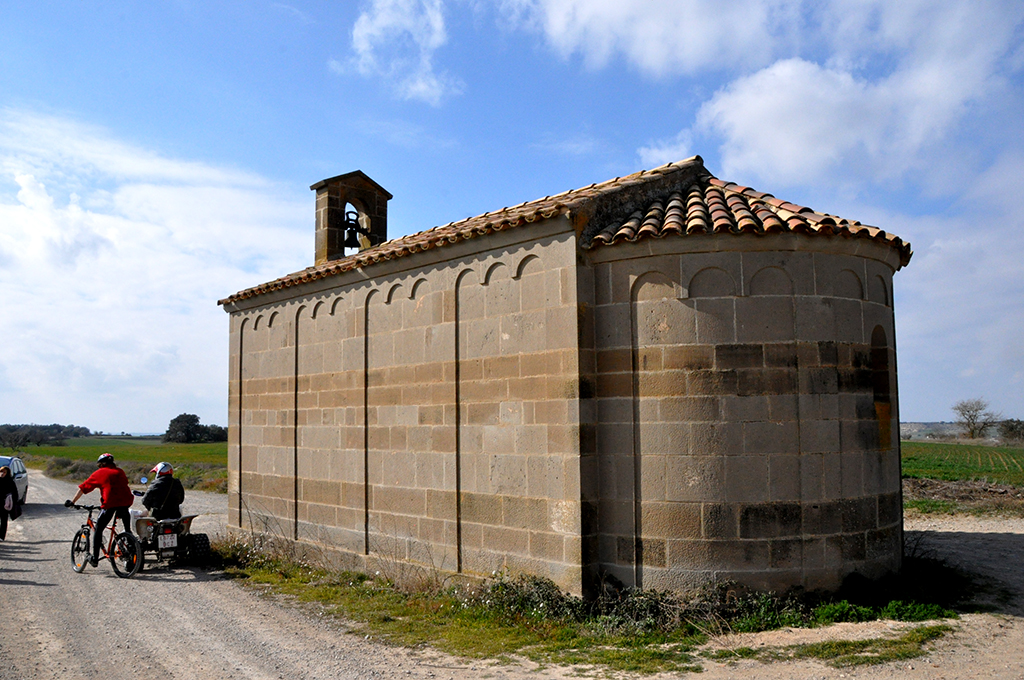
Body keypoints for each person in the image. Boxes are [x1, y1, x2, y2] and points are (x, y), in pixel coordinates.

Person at [66, 453, 134, 567]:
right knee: (127, 529)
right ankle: (133, 550)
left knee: (98, 529)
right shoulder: (120, 471)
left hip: (110, 504)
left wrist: (72, 502)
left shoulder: (100, 473)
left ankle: (95, 559)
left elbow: (83, 488)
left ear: (101, 464)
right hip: (126, 503)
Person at [0, 466, 18, 541]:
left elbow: (15, 493)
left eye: (4, 472)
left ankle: (1, 536)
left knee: (4, 520)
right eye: (1, 471)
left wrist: (12, 502)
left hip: (5, 504)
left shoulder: (10, 482)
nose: (2, 473)